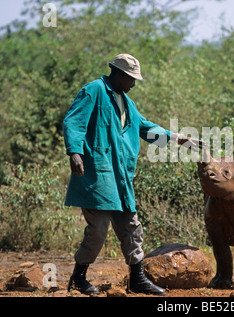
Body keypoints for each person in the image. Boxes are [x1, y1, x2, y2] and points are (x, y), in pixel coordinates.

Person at [63, 54, 199, 295]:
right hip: (98, 175)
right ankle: (78, 278)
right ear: (119, 74)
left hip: (122, 178)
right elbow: (74, 122)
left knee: (132, 227)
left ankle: (137, 279)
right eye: (131, 79)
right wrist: (75, 152)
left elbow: (147, 129)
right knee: (99, 229)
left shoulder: (129, 104)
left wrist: (180, 138)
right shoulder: (94, 91)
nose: (134, 84)